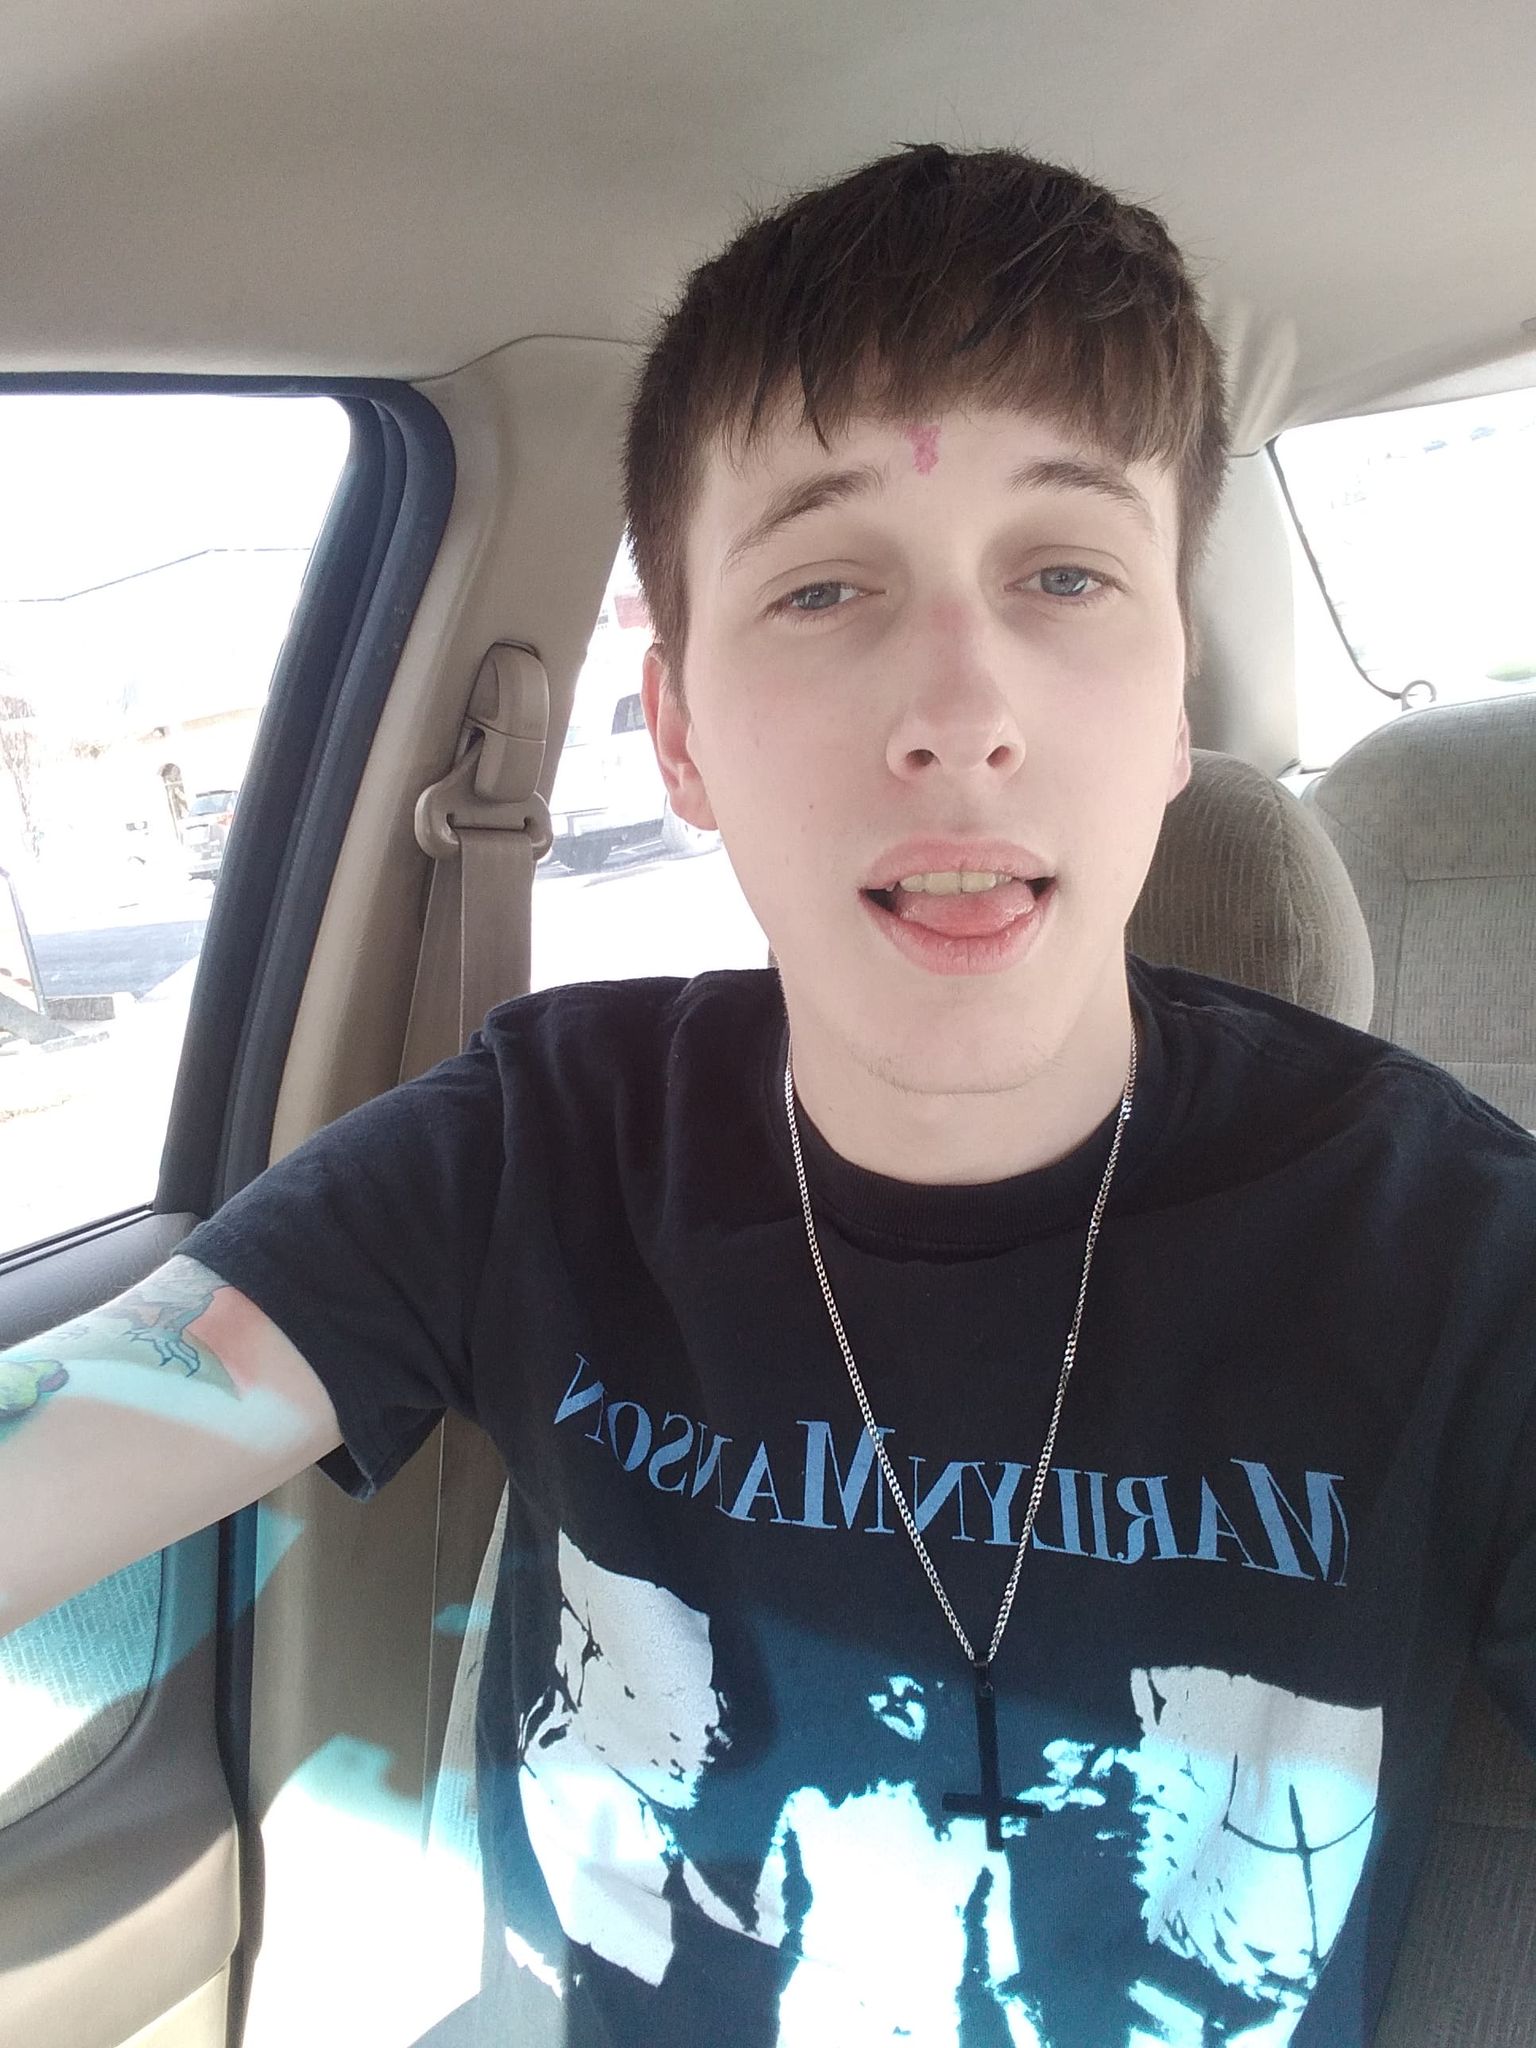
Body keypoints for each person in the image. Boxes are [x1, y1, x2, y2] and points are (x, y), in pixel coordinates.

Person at [3, 144, 1533, 2048]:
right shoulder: (539, 1147)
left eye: (1065, 574)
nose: (959, 713)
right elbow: (88, 1426)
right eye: (824, 589)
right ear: (682, 737)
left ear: (1170, 715)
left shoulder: (1455, 1253)